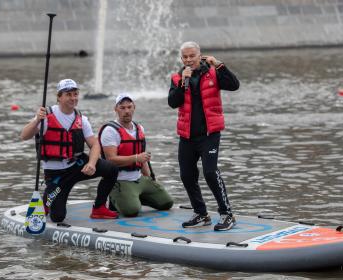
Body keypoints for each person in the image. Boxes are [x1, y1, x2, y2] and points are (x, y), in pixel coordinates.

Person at [20, 78, 119, 223]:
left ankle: (98, 208)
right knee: (58, 217)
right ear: (59, 97)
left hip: (77, 166)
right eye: (68, 94)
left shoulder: (81, 119)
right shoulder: (45, 117)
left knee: (111, 169)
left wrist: (91, 163)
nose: (73, 98)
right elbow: (24, 135)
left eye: (75, 94)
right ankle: (48, 199)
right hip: (56, 176)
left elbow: (95, 144)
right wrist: (36, 121)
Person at [168, 41, 240, 231]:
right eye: (185, 57)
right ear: (181, 58)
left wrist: (219, 65)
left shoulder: (213, 72)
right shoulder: (177, 77)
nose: (189, 60)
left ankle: (227, 214)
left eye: (192, 56)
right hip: (187, 136)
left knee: (210, 172)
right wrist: (183, 83)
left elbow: (234, 85)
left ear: (200, 56)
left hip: (209, 134)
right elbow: (173, 103)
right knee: (186, 175)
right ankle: (201, 213)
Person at [98, 93, 174, 217]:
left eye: (129, 107)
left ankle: (134, 197)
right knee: (131, 211)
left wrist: (149, 178)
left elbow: (143, 158)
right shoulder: (110, 131)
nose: (126, 111)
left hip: (139, 179)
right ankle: (115, 198)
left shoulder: (139, 128)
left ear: (134, 107)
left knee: (167, 203)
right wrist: (136, 158)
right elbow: (111, 160)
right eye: (122, 108)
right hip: (120, 180)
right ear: (116, 109)